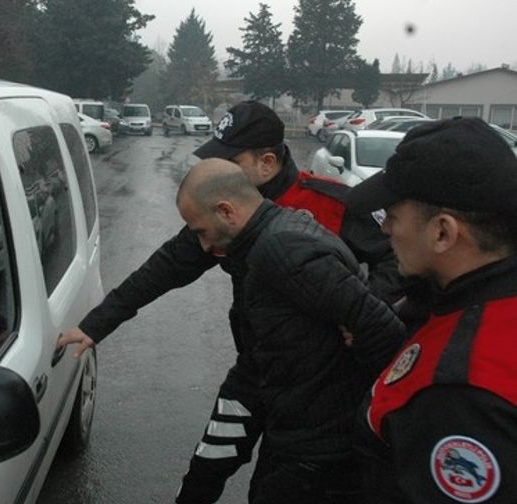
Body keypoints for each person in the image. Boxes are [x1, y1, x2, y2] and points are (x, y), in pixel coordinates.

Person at [56, 101, 406, 502]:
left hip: (317, 397)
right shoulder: (222, 216)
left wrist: (359, 310)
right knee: (208, 472)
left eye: (230, 159)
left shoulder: (329, 204)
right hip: (257, 369)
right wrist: (96, 324)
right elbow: (165, 268)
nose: (217, 169)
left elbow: (397, 260)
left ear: (267, 162)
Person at [168, 158, 401, 502]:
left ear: (227, 211)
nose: (203, 246)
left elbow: (383, 330)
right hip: (297, 446)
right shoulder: (273, 240)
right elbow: (257, 364)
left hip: (318, 462)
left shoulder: (280, 251)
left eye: (201, 231)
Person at [345, 117, 517, 503]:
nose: (385, 228)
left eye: (393, 214)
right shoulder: (470, 301)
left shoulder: (458, 393)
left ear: (443, 232)